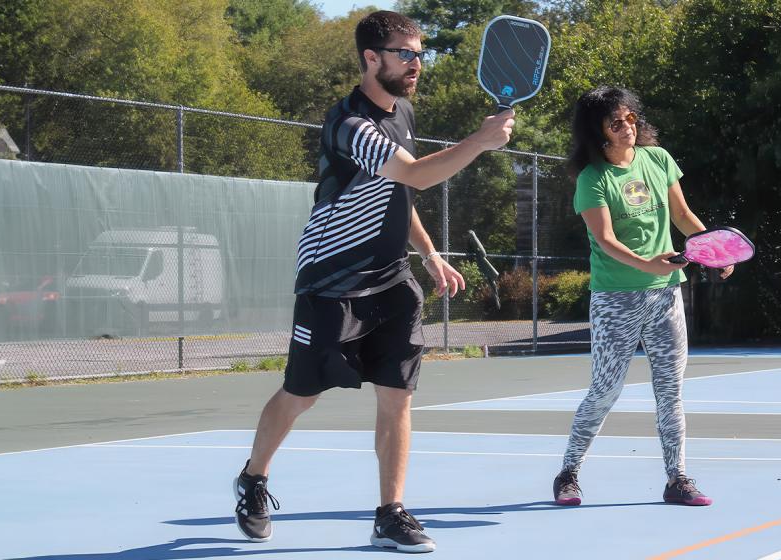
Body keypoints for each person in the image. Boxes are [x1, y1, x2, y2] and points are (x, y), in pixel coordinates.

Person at [233, 10, 516, 554]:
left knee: (397, 397)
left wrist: (429, 254)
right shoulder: (348, 124)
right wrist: (478, 141)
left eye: (420, 53)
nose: (417, 64)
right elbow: (414, 174)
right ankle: (254, 480)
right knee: (301, 394)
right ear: (371, 58)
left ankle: (390, 513)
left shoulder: (403, 111)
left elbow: (397, 194)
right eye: (406, 54)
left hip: (392, 283)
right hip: (332, 283)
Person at [552, 86, 733, 508]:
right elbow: (606, 240)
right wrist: (649, 264)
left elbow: (683, 217)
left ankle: (677, 479)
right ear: (597, 131)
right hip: (616, 299)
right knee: (605, 391)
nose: (627, 127)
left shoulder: (658, 159)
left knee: (670, 391)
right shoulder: (592, 179)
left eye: (631, 118)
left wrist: (713, 250)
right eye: (616, 122)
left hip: (665, 297)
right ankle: (569, 472)